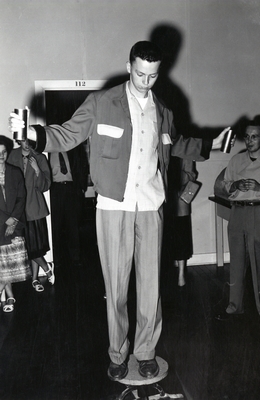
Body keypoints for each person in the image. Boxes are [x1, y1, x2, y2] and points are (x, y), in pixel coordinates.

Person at [9, 41, 228, 380]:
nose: (146, 81)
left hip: (152, 206)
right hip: (114, 206)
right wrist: (32, 136)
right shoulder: (101, 102)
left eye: (153, 76)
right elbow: (67, 134)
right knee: (116, 284)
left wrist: (210, 144)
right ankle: (117, 352)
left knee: (151, 285)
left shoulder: (164, 110)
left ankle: (145, 351)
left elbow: (176, 142)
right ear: (129, 67)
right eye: (140, 73)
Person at [215, 116, 260, 321]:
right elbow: (224, 185)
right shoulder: (236, 160)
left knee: (258, 262)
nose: (250, 141)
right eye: (247, 137)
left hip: (257, 213)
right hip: (237, 213)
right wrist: (235, 186)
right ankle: (235, 305)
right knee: (237, 261)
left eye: (255, 137)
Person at [8, 139, 54, 292]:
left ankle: (34, 279)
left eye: (29, 140)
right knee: (27, 247)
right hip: (17, 210)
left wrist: (37, 170)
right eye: (23, 140)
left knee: (35, 248)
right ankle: (47, 268)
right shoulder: (12, 155)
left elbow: (45, 186)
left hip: (35, 208)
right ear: (19, 140)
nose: (26, 143)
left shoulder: (40, 157)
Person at [0, 136, 31, 312]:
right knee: (1, 263)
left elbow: (22, 197)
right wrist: (6, 219)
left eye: (4, 152)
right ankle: (9, 295)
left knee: (11, 263)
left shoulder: (15, 171)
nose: (1, 156)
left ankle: (9, 295)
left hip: (15, 224)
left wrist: (14, 219)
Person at [49, 146, 88, 268]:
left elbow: (82, 166)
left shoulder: (72, 149)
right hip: (55, 191)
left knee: (73, 225)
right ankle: (56, 259)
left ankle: (75, 257)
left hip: (71, 189)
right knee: (56, 225)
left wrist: (82, 188)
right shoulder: (48, 152)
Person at [165, 156, 197, 288]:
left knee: (181, 235)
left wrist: (177, 183)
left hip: (179, 197)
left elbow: (191, 174)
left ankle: (181, 274)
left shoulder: (185, 150)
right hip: (162, 197)